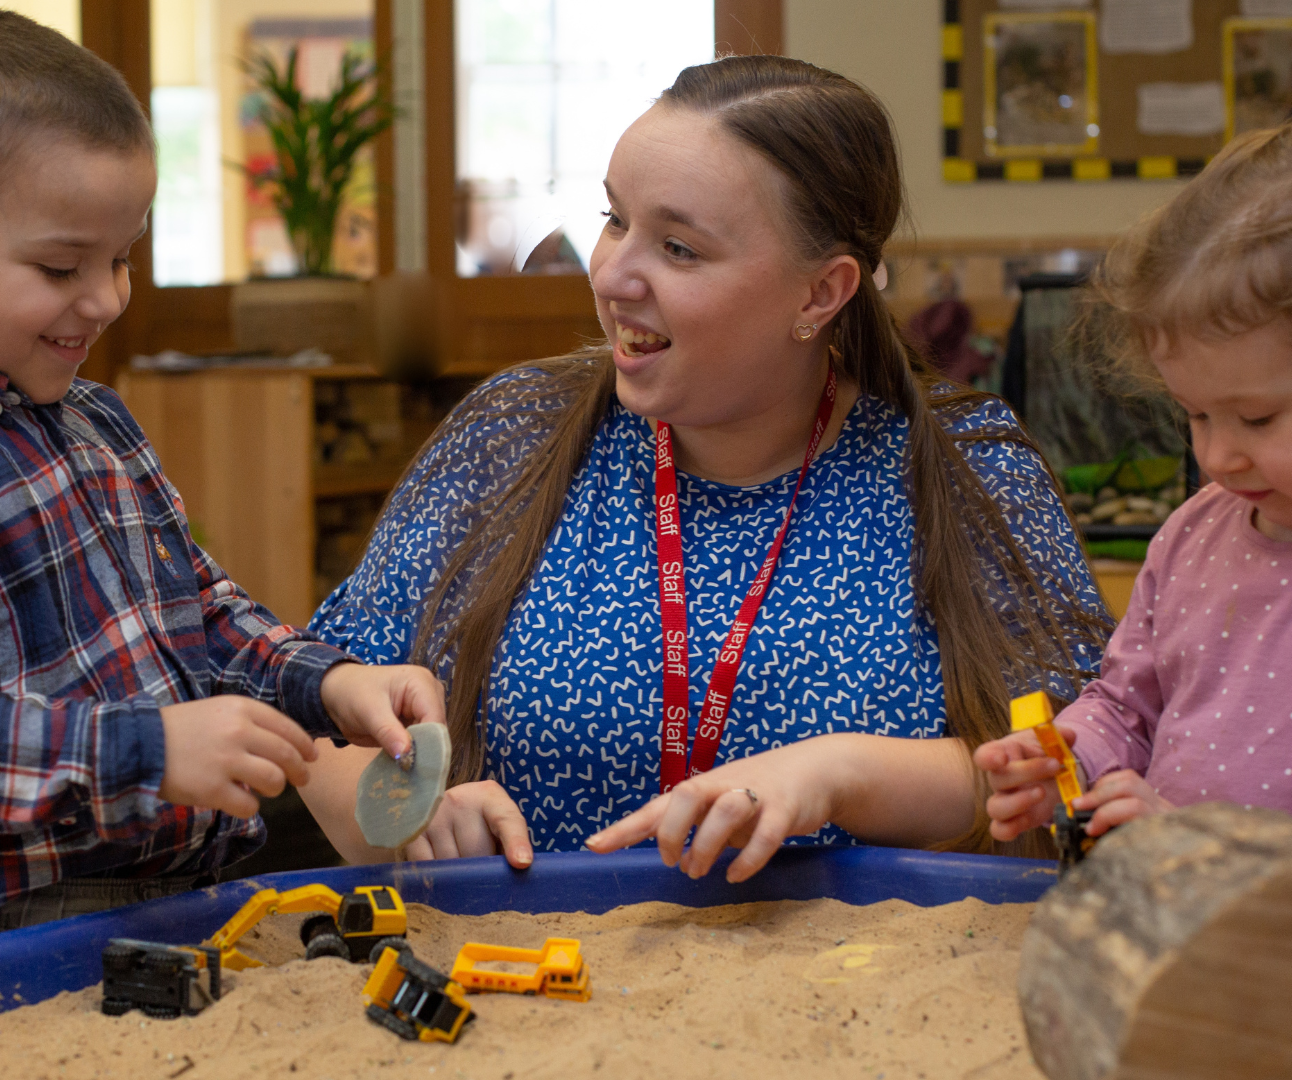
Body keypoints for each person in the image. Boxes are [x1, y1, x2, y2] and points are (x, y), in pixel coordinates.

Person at [305, 55, 1110, 881]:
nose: (613, 274)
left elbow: (1070, 763)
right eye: (614, 220)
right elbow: (317, 721)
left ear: (819, 294)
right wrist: (407, 817)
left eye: (680, 248)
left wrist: (841, 775)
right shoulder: (509, 435)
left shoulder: (964, 467)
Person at [0, 13, 441, 927]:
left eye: (121, 259)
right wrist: (146, 750)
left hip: (190, 888)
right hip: (40, 921)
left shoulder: (97, 421)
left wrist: (326, 684)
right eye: (58, 266)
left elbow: (201, 612)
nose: (106, 299)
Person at [975, 123, 1292, 843]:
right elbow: (1124, 706)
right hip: (1177, 931)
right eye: (1197, 415)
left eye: (1257, 417)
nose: (1218, 456)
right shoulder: (1190, 536)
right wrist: (1064, 757)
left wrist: (1204, 845)